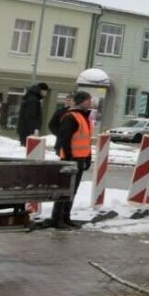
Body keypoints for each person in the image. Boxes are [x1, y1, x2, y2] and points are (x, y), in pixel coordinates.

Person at [51, 91, 95, 230]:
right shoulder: (71, 117)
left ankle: (66, 217)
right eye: (88, 100)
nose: (90, 103)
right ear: (81, 101)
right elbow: (64, 139)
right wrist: (69, 158)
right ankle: (57, 218)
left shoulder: (84, 117)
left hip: (80, 158)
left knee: (72, 190)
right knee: (65, 190)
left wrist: (88, 157)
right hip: (70, 159)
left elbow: (86, 140)